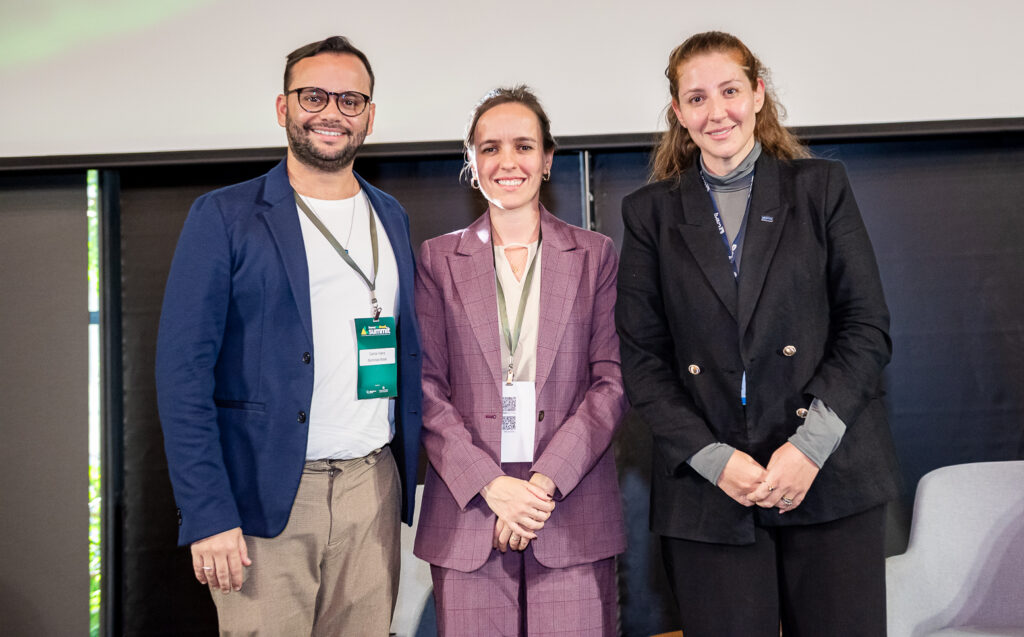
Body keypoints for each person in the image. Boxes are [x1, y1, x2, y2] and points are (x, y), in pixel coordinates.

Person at [616, 31, 901, 636]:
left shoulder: (820, 187)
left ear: (758, 94)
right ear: (678, 113)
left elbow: (866, 327)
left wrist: (808, 448)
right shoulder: (649, 213)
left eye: (730, 91)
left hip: (828, 474)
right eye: (697, 98)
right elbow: (642, 360)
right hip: (709, 489)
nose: (716, 112)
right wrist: (715, 460)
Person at [155, 36, 421, 636]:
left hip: (372, 489)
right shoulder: (223, 216)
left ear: (370, 117)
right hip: (264, 496)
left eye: (350, 100)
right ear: (283, 108)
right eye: (314, 96)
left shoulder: (391, 216)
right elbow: (182, 376)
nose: (332, 112)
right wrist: (207, 511)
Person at [413, 86, 628, 636]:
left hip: (570, 510)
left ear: (547, 159)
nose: (507, 162)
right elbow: (425, 388)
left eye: (524, 146)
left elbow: (611, 383)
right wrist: (493, 486)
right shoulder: (436, 259)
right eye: (490, 148)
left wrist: (539, 488)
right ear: (471, 161)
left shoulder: (595, 255)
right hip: (470, 514)